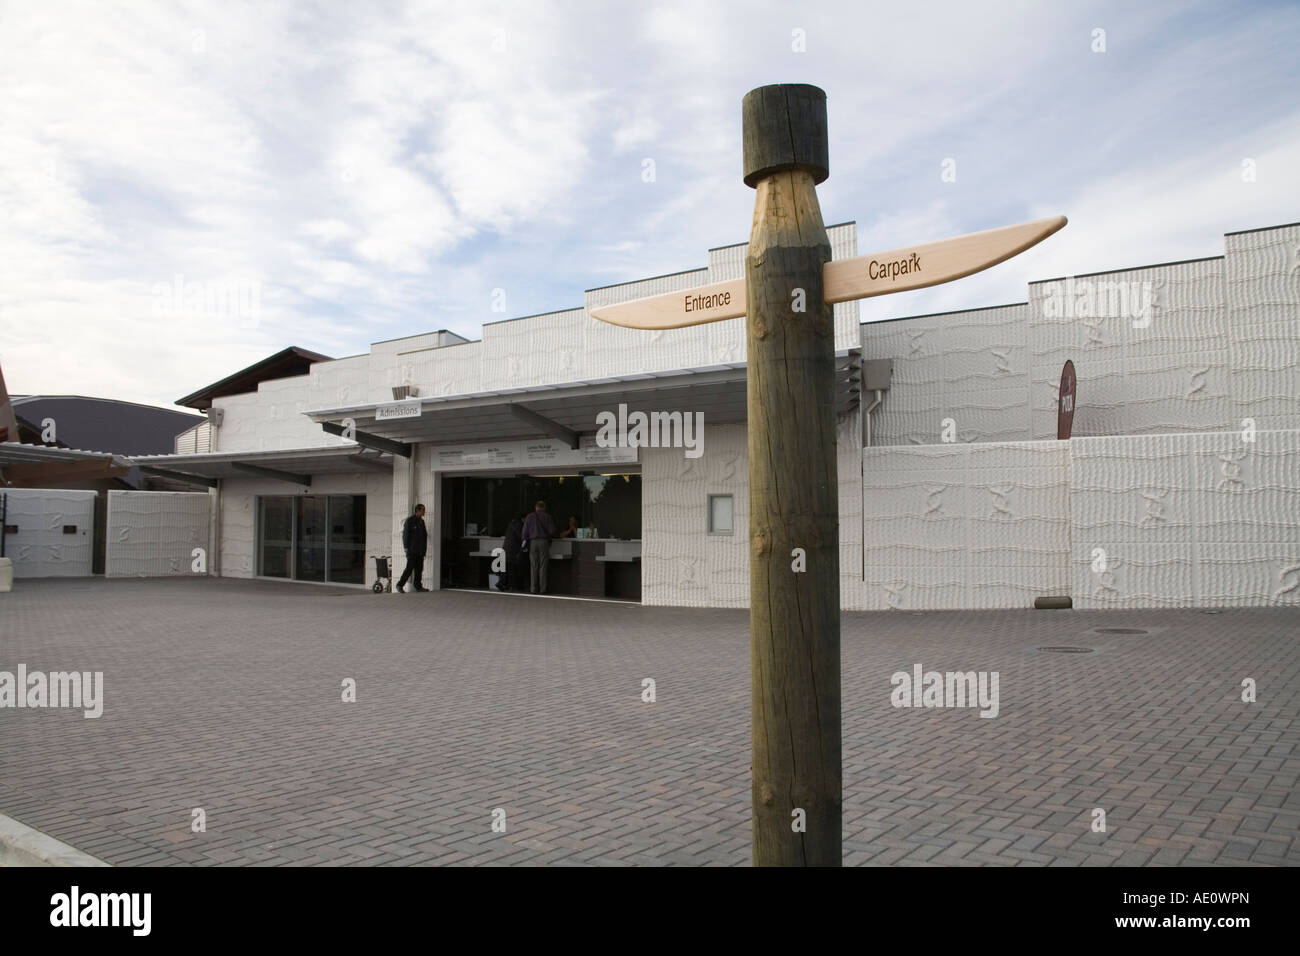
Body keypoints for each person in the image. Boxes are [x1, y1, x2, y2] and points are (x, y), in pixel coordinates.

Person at [521, 500, 557, 594]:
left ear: (535, 508)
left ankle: (533, 589)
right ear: (544, 508)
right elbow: (552, 531)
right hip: (543, 542)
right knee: (543, 566)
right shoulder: (547, 517)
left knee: (533, 566)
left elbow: (524, 533)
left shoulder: (529, 517)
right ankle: (543, 589)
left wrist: (524, 543)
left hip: (533, 543)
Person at [396, 504, 428, 592]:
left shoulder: (422, 522)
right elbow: (405, 534)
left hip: (420, 550)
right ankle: (399, 585)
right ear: (418, 511)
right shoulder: (410, 521)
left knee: (419, 569)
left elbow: (424, 536)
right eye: (423, 510)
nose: (424, 512)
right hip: (412, 550)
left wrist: (424, 550)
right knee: (409, 569)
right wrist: (406, 547)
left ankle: (418, 586)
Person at [502, 512, 526, 592]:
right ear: (523, 518)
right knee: (513, 568)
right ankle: (512, 586)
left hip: (507, 548)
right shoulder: (519, 525)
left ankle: (505, 584)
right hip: (513, 549)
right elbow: (521, 536)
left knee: (508, 567)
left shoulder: (512, 523)